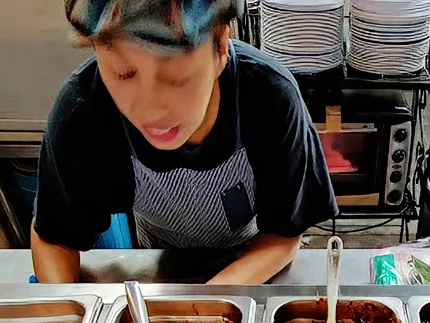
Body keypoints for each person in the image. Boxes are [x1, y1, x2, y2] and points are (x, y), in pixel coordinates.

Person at [32, 0, 337, 283]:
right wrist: (64, 318)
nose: (151, 109)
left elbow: (283, 234)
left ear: (220, 45)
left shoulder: (270, 97)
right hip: (157, 255)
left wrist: (208, 301)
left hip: (253, 254)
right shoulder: (82, 112)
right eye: (123, 74)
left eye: (175, 78)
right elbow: (55, 238)